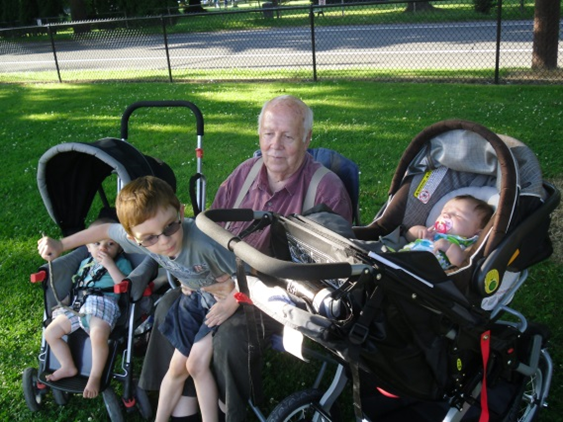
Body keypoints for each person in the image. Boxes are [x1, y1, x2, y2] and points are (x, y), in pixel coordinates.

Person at [138, 94, 354, 422]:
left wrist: (241, 292)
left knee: (231, 332)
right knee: (169, 303)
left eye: (288, 136)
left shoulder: (326, 190)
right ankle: (175, 394)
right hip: (221, 275)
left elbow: (322, 274)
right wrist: (196, 274)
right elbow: (208, 227)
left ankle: (232, 412)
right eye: (268, 134)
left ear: (307, 138)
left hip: (276, 294)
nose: (275, 145)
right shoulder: (246, 173)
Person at [37, 175, 237, 422]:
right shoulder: (141, 236)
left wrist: (232, 299)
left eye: (171, 227)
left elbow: (253, 274)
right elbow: (100, 230)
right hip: (196, 299)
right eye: (150, 238)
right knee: (176, 369)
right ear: (133, 240)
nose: (164, 241)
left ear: (180, 211)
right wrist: (60, 244)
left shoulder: (206, 242)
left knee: (195, 365)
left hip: (224, 302)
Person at [43, 218, 133, 399]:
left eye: (110, 244)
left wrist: (110, 265)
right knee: (50, 333)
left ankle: (95, 376)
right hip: (79, 305)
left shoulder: (121, 263)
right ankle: (67, 365)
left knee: (98, 334)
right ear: (88, 247)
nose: (103, 248)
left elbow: (124, 284)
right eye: (97, 243)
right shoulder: (84, 263)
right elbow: (77, 283)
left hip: (103, 302)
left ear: (120, 248)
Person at [401, 194, 494, 268]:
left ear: (477, 232)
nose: (446, 215)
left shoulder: (468, 244)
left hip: (423, 270)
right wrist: (418, 231)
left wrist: (449, 248)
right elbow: (408, 237)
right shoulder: (432, 231)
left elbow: (461, 263)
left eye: (457, 215)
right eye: (444, 212)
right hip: (403, 257)